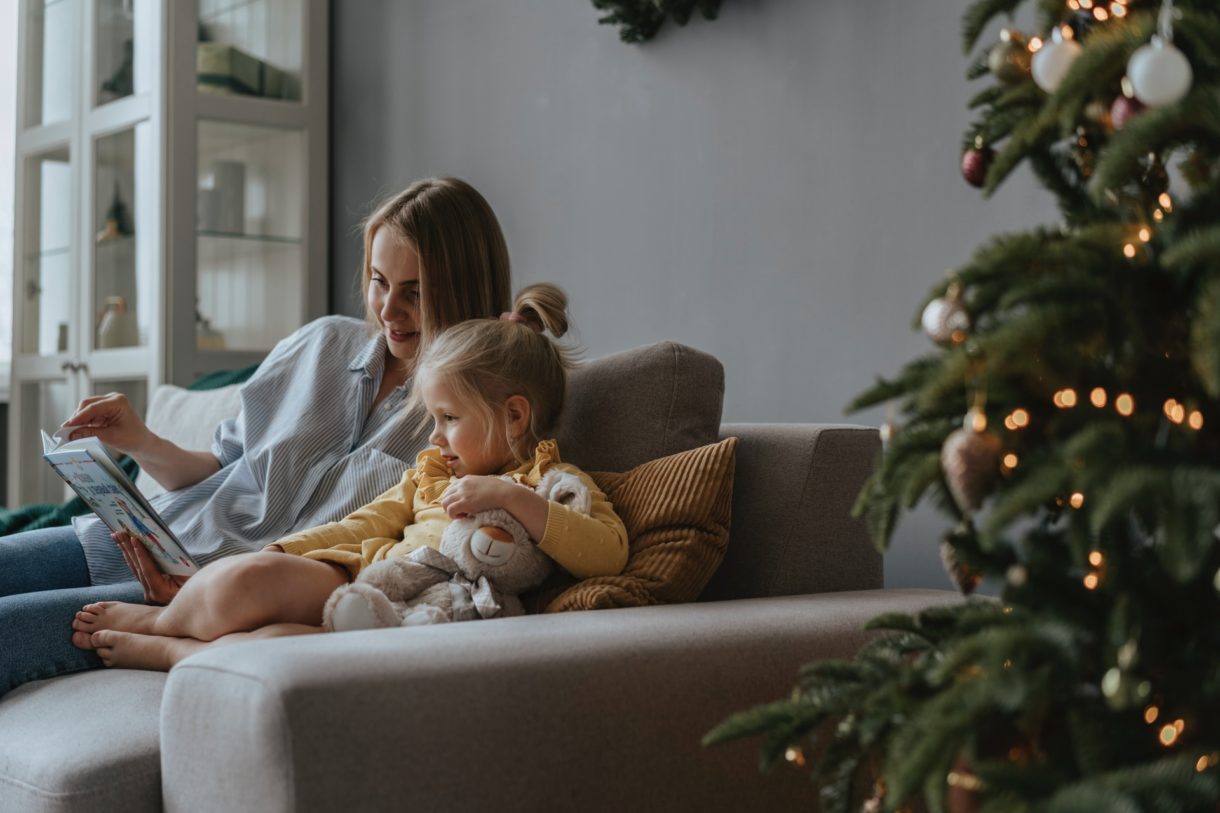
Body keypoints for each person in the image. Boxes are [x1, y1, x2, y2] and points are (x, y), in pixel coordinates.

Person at [0, 177, 512, 696]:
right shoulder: (322, 344)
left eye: (415, 292)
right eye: (379, 281)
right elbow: (221, 465)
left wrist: (499, 358)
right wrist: (139, 440)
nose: (388, 311)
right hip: (142, 539)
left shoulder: (468, 419)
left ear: (464, 290)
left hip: (206, 603)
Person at [72, 284, 629, 671]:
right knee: (243, 580)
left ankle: (169, 650)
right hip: (368, 581)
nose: (434, 437)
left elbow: (607, 553)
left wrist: (514, 499)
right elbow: (365, 523)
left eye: (449, 419)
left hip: (431, 620)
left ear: (513, 417)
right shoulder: (429, 475)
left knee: (272, 648)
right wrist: (282, 551)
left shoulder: (555, 483)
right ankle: (169, 620)